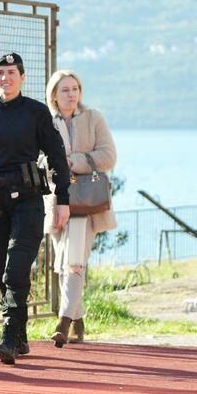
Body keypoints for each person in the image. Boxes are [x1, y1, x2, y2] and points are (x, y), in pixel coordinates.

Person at [0, 52, 71, 365]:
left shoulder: (36, 112)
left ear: (22, 76)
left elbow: (57, 156)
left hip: (29, 201)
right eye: (0, 73)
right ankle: (20, 334)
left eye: (11, 73)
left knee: (16, 268)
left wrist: (63, 200)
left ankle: (8, 334)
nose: (5, 78)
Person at [42, 70, 117, 346]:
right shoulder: (46, 122)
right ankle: (79, 322)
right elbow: (39, 160)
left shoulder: (94, 118)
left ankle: (63, 320)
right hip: (56, 202)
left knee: (74, 262)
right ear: (54, 95)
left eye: (75, 89)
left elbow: (109, 156)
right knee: (64, 265)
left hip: (87, 202)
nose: (71, 94)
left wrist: (73, 162)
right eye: (65, 90)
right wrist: (52, 167)